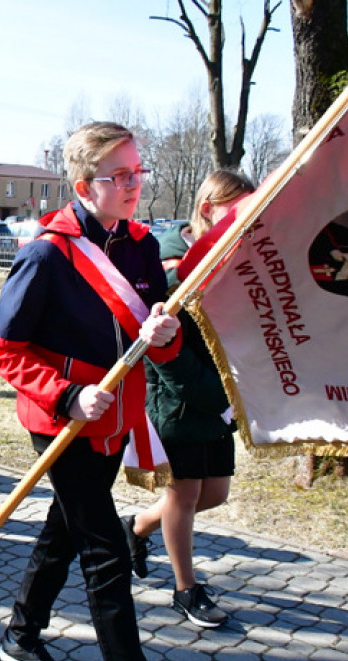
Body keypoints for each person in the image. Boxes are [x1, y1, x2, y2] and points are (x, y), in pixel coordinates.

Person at [0, 122, 205, 661]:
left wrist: (169, 338)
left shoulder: (140, 247)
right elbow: (1, 346)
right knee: (104, 549)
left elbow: (165, 335)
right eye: (120, 176)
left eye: (139, 172)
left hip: (117, 417)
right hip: (61, 421)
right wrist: (63, 395)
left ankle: (22, 634)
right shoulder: (48, 253)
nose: (134, 185)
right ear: (84, 186)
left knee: (67, 524)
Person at [124, 170, 254, 629]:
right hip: (178, 401)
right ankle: (185, 588)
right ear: (207, 210)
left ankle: (136, 528)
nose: (244, 219)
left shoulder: (238, 261)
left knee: (214, 493)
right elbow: (160, 347)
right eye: (234, 210)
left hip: (218, 398)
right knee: (185, 494)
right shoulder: (175, 265)